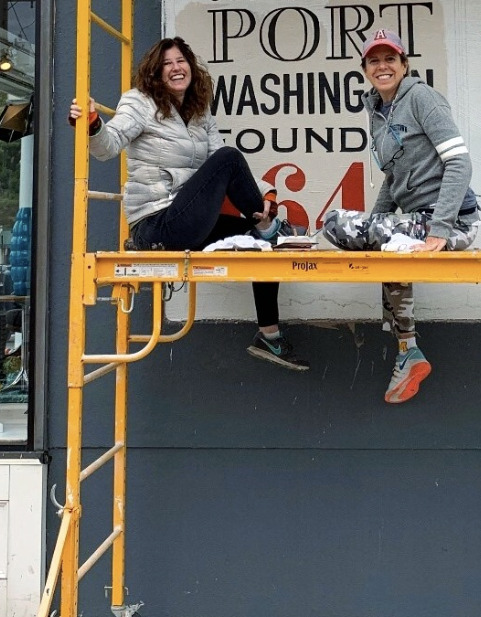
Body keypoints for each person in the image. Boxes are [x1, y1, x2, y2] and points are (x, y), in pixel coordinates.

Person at [69, 37, 308, 372]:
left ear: (191, 68)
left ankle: (269, 336)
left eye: (181, 60)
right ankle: (271, 227)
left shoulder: (199, 113)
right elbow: (109, 146)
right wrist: (93, 123)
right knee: (232, 163)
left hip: (187, 217)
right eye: (167, 63)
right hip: (157, 222)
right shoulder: (139, 102)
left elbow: (222, 167)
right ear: (156, 72)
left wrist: (266, 192)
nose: (176, 67)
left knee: (260, 244)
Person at [322, 29, 480, 404]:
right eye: (374, 60)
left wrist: (441, 229)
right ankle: (407, 350)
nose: (382, 66)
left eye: (390, 58)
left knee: (335, 222)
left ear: (404, 64)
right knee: (382, 246)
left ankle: (408, 350)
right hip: (415, 221)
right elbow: (393, 177)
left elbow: (459, 162)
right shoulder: (378, 109)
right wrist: (375, 225)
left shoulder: (421, 97)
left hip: (451, 222)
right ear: (365, 69)